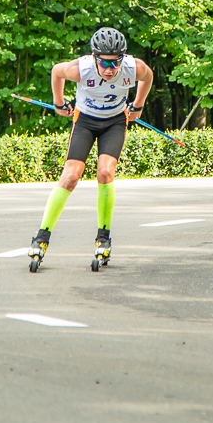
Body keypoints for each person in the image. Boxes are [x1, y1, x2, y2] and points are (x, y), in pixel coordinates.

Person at [27, 27, 154, 272]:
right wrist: (58, 102)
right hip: (85, 120)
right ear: (95, 58)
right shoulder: (80, 69)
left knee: (106, 173)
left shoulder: (132, 67)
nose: (110, 69)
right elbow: (56, 72)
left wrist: (138, 105)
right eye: (104, 64)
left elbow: (148, 77)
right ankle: (41, 238)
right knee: (71, 176)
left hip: (115, 121)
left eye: (115, 63)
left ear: (123, 58)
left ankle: (103, 238)